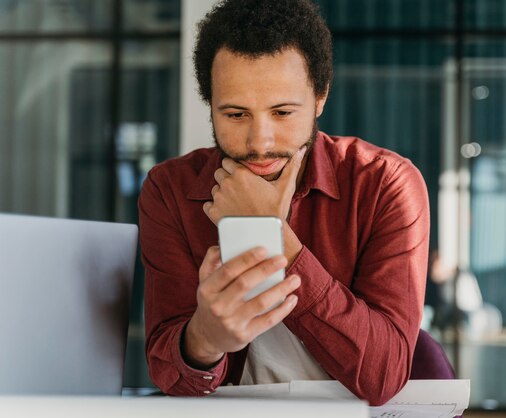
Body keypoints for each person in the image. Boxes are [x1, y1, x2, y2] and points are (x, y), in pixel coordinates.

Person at [138, 0, 429, 406]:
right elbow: (169, 374)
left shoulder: (385, 183)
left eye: (282, 112)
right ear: (210, 104)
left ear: (320, 98)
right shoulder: (169, 189)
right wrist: (205, 339)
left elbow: (383, 375)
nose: (261, 142)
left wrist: (271, 231)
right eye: (236, 115)